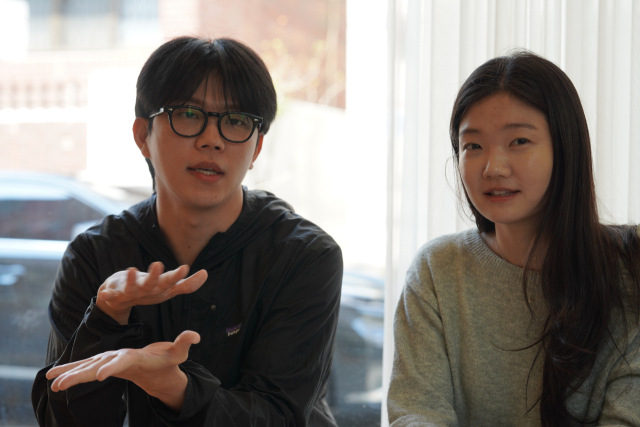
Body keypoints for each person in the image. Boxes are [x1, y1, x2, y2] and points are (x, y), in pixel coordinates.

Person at [31, 36, 343, 427]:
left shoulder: (304, 257)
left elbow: (279, 416)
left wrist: (176, 389)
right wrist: (107, 316)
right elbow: (62, 422)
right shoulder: (95, 256)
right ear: (143, 136)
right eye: (189, 114)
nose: (212, 140)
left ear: (257, 148)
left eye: (236, 121)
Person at [387, 51, 640, 426]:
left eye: (519, 141)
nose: (493, 167)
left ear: (565, 148)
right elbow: (415, 412)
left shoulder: (629, 270)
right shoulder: (437, 271)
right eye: (473, 146)